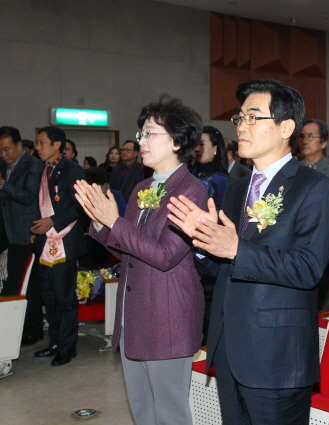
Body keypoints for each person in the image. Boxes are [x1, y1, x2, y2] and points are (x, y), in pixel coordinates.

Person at [167, 79, 329, 425]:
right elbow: (226, 268)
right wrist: (201, 244)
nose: (241, 125)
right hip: (230, 347)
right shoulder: (237, 188)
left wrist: (235, 249)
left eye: (253, 117)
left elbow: (308, 268)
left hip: (277, 354)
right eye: (239, 117)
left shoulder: (313, 188)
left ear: (286, 127)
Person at [74, 96, 207, 425]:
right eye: (141, 133)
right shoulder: (142, 188)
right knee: (143, 412)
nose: (140, 141)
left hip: (166, 318)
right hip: (133, 315)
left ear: (177, 140)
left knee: (169, 413)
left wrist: (115, 222)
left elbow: (164, 255)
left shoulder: (191, 191)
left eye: (150, 133)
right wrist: (101, 223)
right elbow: (129, 252)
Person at [32, 126, 87, 367]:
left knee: (64, 297)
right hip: (45, 243)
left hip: (64, 240)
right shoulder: (43, 170)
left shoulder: (72, 170)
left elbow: (78, 206)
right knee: (49, 295)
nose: (37, 147)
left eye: (42, 143)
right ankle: (54, 341)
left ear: (57, 145)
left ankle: (67, 347)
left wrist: (53, 221)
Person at [0, 127, 45, 354]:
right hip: (5, 232)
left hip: (24, 232)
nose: (3, 154)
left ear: (19, 145)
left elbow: (28, 197)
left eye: (7, 149)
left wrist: (2, 184)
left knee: (27, 285)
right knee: (8, 281)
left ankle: (31, 329)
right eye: (0, 150)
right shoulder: (3, 165)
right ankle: (7, 328)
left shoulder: (34, 165)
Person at [298, 119, 329, 311]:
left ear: (324, 142)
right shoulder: (292, 171)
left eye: (311, 136)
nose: (305, 140)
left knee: (324, 310)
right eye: (302, 136)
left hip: (325, 250)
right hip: (295, 252)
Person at [190, 126, 229, 210]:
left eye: (201, 144)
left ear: (215, 148)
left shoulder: (219, 180)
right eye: (196, 144)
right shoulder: (191, 172)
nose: (196, 149)